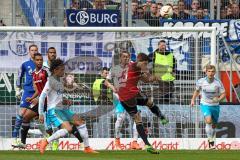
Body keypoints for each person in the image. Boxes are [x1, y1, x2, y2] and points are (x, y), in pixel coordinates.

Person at [105, 52, 168, 154]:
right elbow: (106, 81)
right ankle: (119, 141)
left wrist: (155, 77)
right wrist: (113, 87)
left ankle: (160, 118)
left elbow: (147, 79)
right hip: (124, 96)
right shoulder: (121, 67)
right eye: (124, 56)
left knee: (149, 104)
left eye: (128, 56)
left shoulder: (134, 65)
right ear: (120, 58)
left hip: (132, 94)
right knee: (125, 118)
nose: (126, 58)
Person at [38, 59, 98, 154]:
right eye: (62, 70)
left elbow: (57, 96)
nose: (64, 71)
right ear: (55, 70)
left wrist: (65, 100)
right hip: (53, 110)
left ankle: (87, 148)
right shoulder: (50, 82)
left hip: (62, 108)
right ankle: (46, 141)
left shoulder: (60, 80)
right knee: (68, 129)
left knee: (81, 122)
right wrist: (40, 113)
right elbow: (42, 97)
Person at [191, 65, 226, 150]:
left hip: (215, 105)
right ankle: (210, 142)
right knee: (208, 120)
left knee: (214, 125)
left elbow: (224, 94)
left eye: (212, 71)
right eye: (209, 71)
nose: (211, 73)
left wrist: (218, 99)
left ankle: (213, 139)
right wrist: (192, 100)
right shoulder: (201, 81)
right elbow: (197, 91)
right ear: (206, 72)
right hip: (205, 104)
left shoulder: (218, 82)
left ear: (215, 72)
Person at [12, 44, 38, 147]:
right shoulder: (25, 64)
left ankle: (47, 138)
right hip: (27, 91)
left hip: (38, 93)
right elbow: (19, 76)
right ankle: (14, 138)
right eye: (32, 50)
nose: (34, 52)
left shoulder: (42, 64)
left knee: (39, 116)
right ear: (29, 51)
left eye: (35, 50)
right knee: (21, 113)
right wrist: (18, 89)